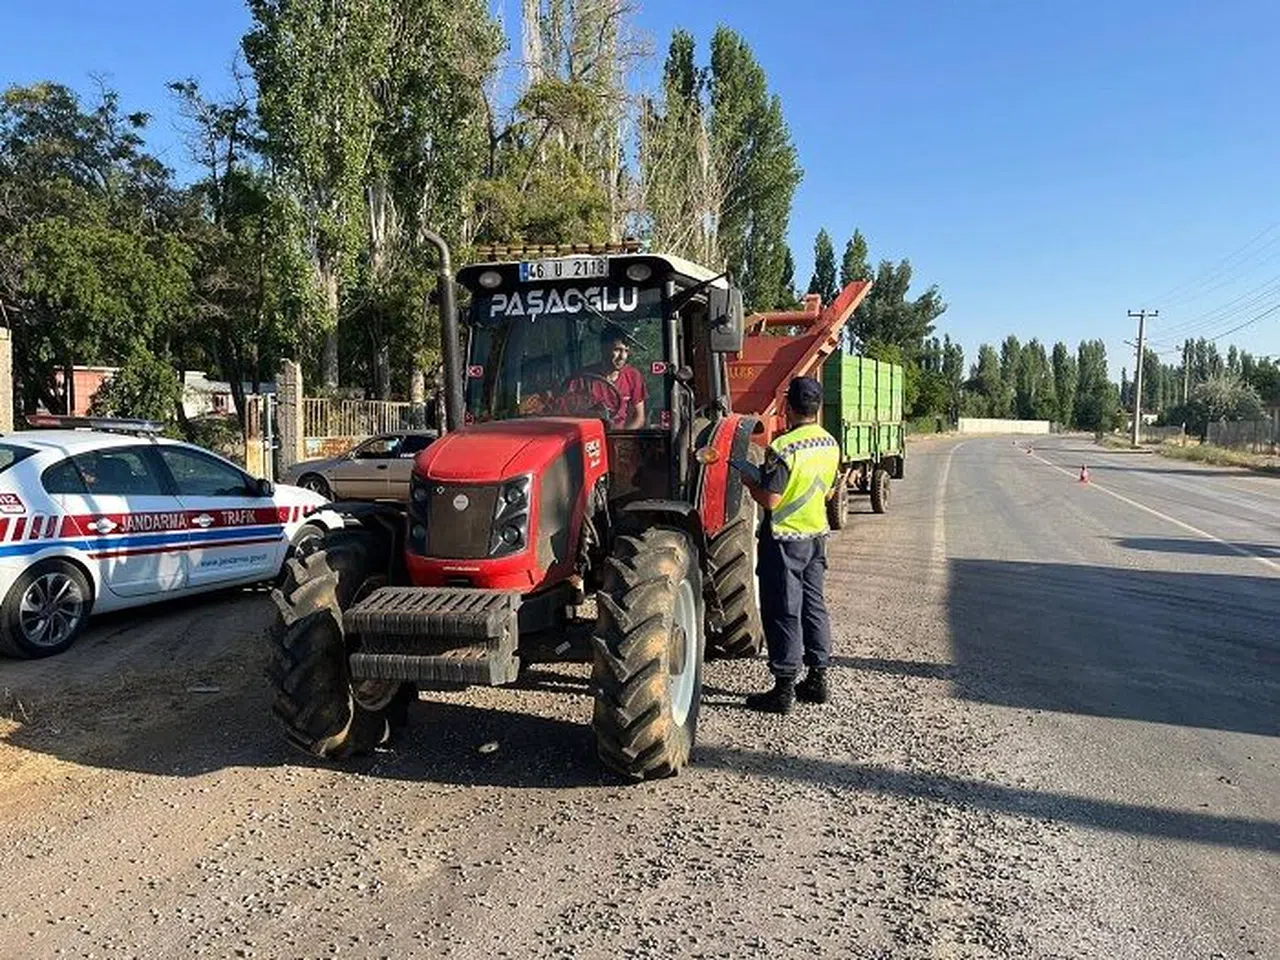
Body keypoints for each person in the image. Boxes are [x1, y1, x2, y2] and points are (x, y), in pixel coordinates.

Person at [733, 376, 842, 714]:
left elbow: (772, 499)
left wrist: (751, 481)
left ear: (787, 407)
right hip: (816, 536)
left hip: (783, 539)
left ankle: (783, 688)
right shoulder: (830, 443)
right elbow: (828, 491)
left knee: (783, 610)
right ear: (818, 407)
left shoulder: (783, 448)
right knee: (813, 605)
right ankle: (818, 678)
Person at [567, 327, 648, 430]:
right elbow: (568, 413)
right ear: (604, 349)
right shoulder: (582, 379)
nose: (622, 356)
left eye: (626, 351)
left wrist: (622, 438)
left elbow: (639, 418)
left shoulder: (633, 376)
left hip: (621, 437)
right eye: (617, 350)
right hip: (590, 436)